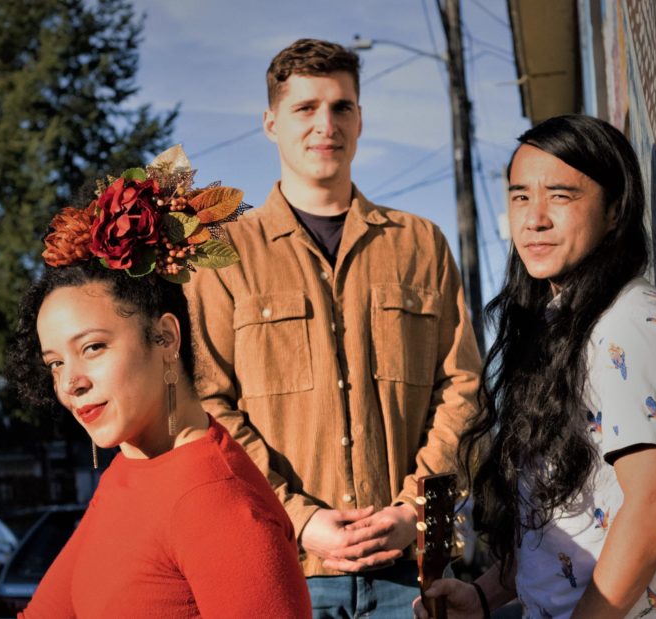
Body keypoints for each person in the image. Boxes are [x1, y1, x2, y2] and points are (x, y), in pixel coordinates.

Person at [186, 38, 482, 617]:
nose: (327, 124)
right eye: (306, 108)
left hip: (410, 575)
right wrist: (298, 518)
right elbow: (206, 407)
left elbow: (462, 389)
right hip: (282, 572)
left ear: (360, 119)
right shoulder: (223, 256)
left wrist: (415, 512)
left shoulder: (421, 244)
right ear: (271, 123)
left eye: (341, 106)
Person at [413, 115, 656, 619]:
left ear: (615, 210)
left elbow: (654, 508)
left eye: (561, 196)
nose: (534, 219)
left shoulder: (627, 322)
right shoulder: (556, 326)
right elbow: (559, 516)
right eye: (521, 196)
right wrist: (483, 595)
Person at [6, 150, 312, 618]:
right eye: (55, 363)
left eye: (92, 347)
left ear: (165, 337)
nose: (70, 383)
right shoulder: (130, 468)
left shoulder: (219, 505)